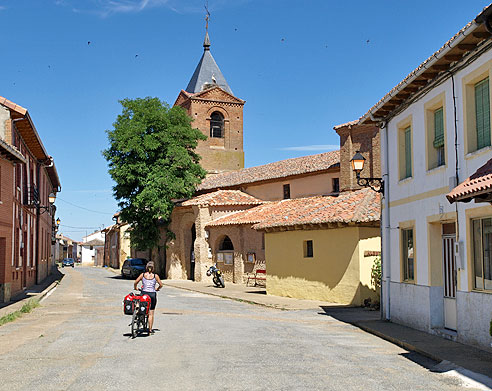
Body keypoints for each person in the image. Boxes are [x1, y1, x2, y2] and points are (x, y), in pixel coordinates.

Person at [134, 261, 163, 334]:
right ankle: (150, 330)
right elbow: (161, 284)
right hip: (152, 294)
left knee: (140, 302)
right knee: (151, 313)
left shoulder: (142, 275)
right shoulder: (155, 276)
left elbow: (135, 282)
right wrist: (157, 288)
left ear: (146, 268)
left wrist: (136, 288)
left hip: (144, 294)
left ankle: (137, 310)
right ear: (153, 268)